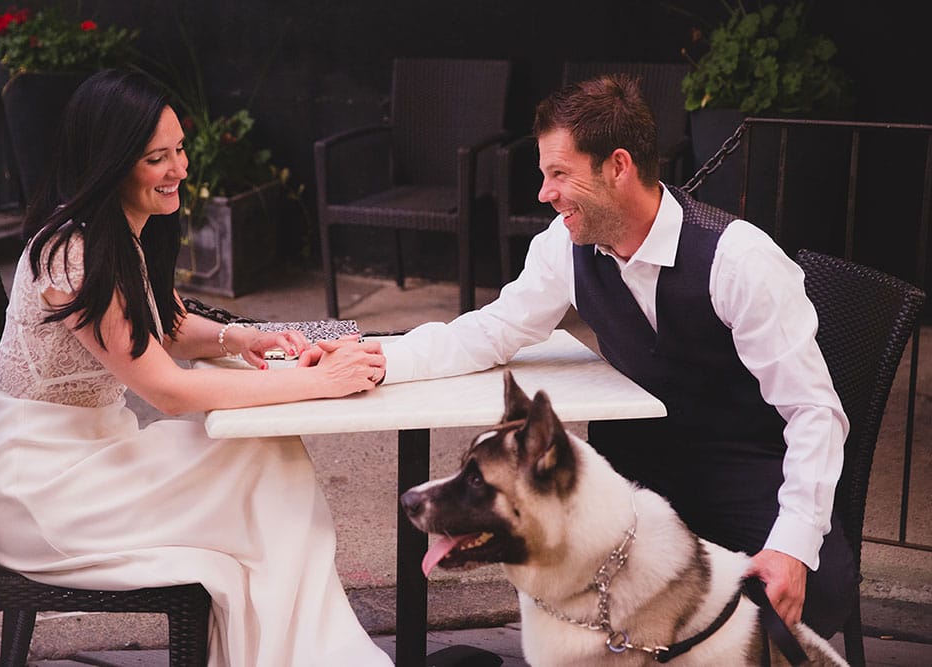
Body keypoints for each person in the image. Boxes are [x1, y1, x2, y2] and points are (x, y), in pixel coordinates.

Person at [367, 74, 856, 638]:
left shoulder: (740, 261)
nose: (544, 193)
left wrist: (792, 545)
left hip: (744, 473)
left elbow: (815, 413)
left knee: (776, 621)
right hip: (636, 482)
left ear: (617, 166)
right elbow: (492, 330)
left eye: (559, 174)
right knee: (574, 605)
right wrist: (381, 358)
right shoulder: (562, 246)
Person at [0, 69, 392, 666]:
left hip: (91, 459)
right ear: (112, 161)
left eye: (180, 150)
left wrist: (239, 337)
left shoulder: (113, 232)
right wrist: (319, 381)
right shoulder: (71, 253)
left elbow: (160, 324)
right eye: (156, 158)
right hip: (42, 490)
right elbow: (166, 389)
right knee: (263, 477)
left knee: (267, 461)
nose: (180, 169)